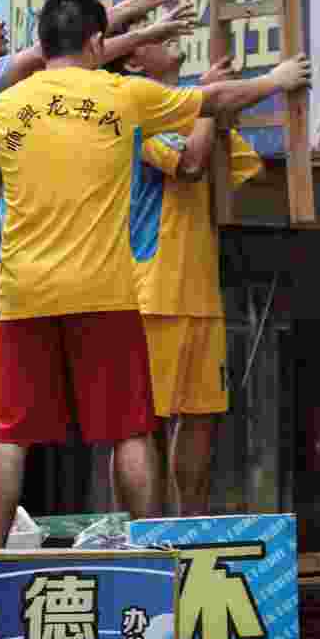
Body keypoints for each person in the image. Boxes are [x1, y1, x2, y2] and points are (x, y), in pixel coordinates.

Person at [0, 0, 311, 547]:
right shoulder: (123, 97)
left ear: (44, 42)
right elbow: (215, 101)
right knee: (129, 431)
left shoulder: (4, 108)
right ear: (97, 41)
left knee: (8, 435)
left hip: (23, 292)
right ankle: (148, 550)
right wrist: (276, 81)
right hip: (106, 291)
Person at [0, 0, 193, 547]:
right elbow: (59, 51)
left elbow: (74, 63)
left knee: (5, 409)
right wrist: (134, 9)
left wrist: (136, 32)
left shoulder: (6, 92)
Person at [115, 40, 266, 515]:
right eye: (153, 34)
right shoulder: (140, 107)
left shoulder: (183, 105)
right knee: (141, 423)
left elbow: (237, 169)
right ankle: (141, 533)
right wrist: (207, 101)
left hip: (199, 287)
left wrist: (217, 104)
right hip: (152, 288)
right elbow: (191, 163)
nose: (171, 37)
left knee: (202, 415)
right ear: (135, 60)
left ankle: (190, 527)